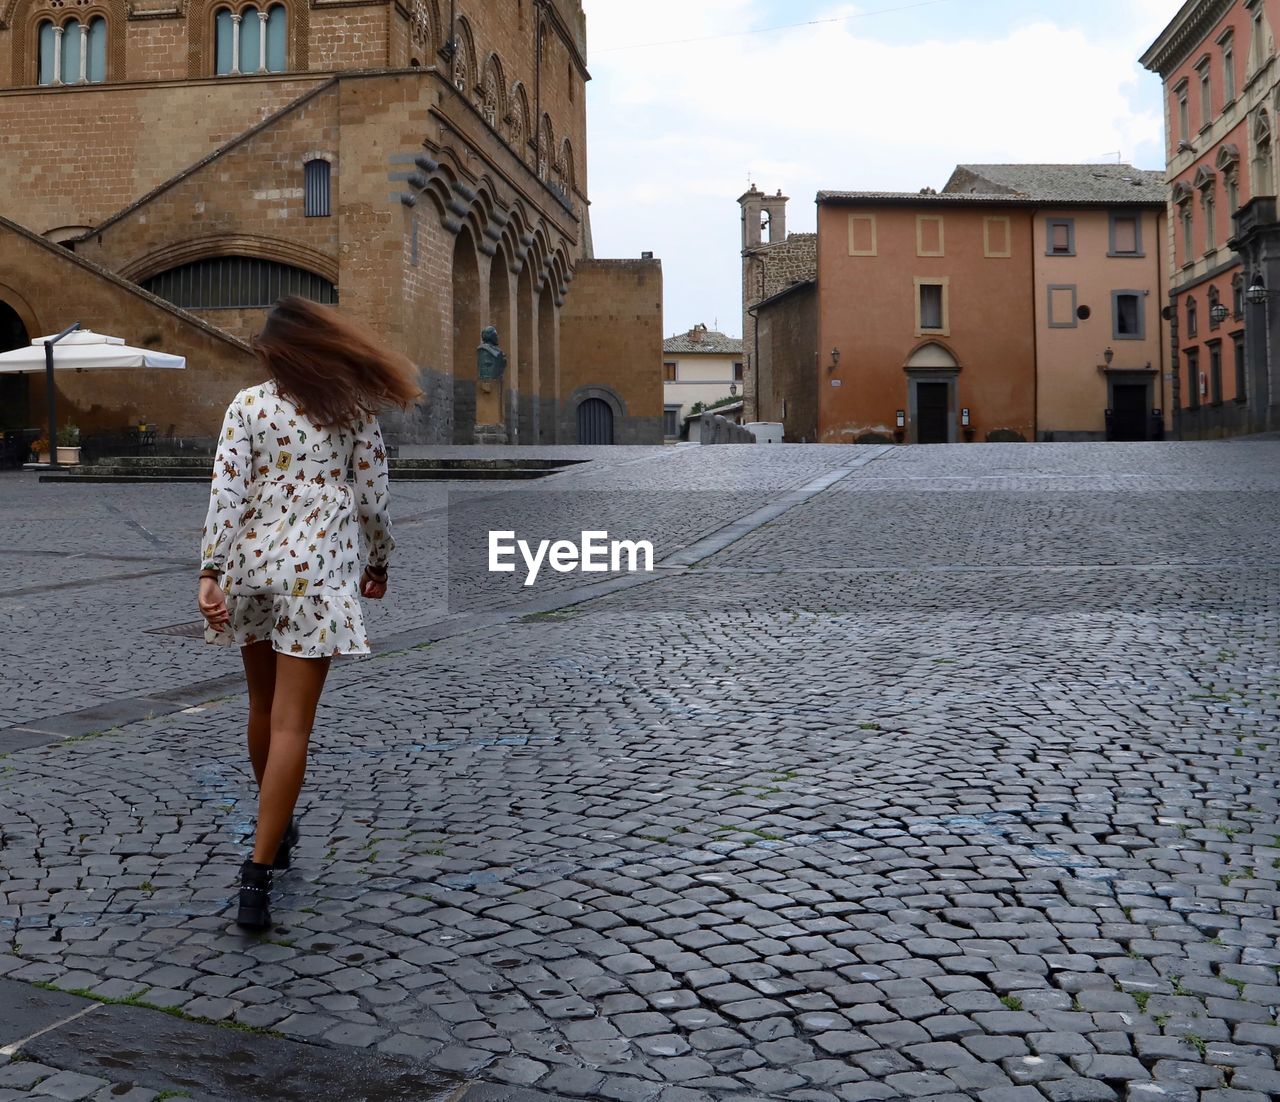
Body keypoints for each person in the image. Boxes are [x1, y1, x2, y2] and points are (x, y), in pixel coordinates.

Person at [197, 296, 421, 930]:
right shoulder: (350, 410)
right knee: (293, 723)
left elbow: (227, 492)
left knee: (261, 708)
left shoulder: (248, 405)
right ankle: (259, 872)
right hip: (315, 576)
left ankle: (275, 818)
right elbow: (374, 499)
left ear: (274, 352)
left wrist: (210, 571)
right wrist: (378, 562)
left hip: (251, 568)